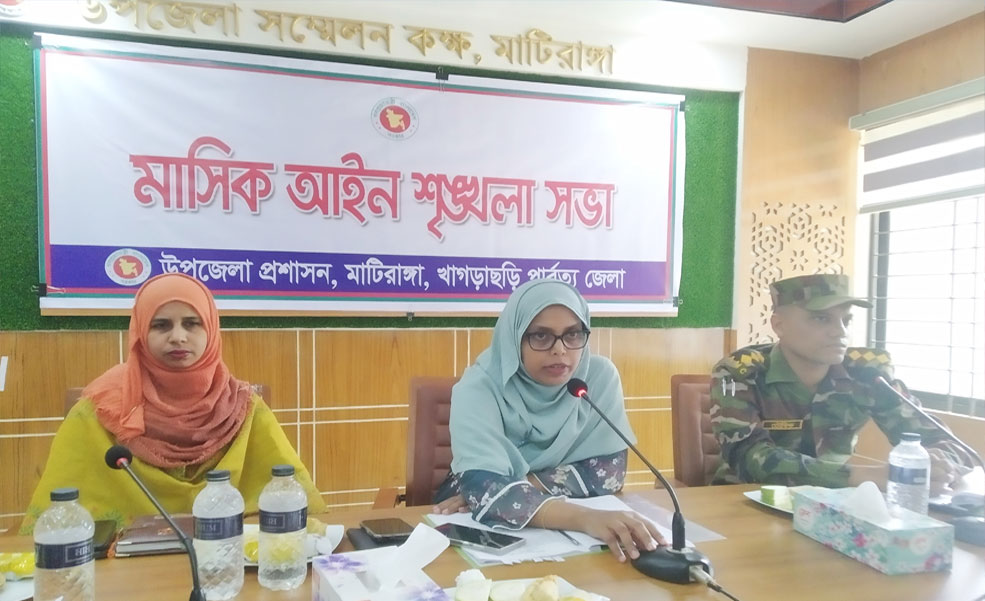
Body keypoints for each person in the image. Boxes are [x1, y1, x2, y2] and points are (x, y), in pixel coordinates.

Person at [20, 273, 325, 533]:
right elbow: (56, 523)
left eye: (192, 324)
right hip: (123, 570)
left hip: (230, 558)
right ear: (140, 332)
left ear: (211, 330)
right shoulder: (97, 412)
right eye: (161, 325)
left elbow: (291, 499)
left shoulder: (242, 407)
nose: (178, 337)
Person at [434, 279, 666, 562]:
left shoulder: (597, 378)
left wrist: (515, 489)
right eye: (541, 336)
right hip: (473, 523)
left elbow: (608, 473)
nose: (560, 350)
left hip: (570, 543)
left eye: (573, 334)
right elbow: (484, 487)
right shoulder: (478, 388)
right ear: (514, 338)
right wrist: (584, 518)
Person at [710, 274, 971, 490]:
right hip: (746, 500)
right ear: (779, 325)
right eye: (821, 318)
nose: (840, 332)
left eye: (846, 320)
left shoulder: (868, 374)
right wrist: (871, 476)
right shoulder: (739, 373)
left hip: (837, 504)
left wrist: (938, 465)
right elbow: (750, 458)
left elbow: (949, 444)